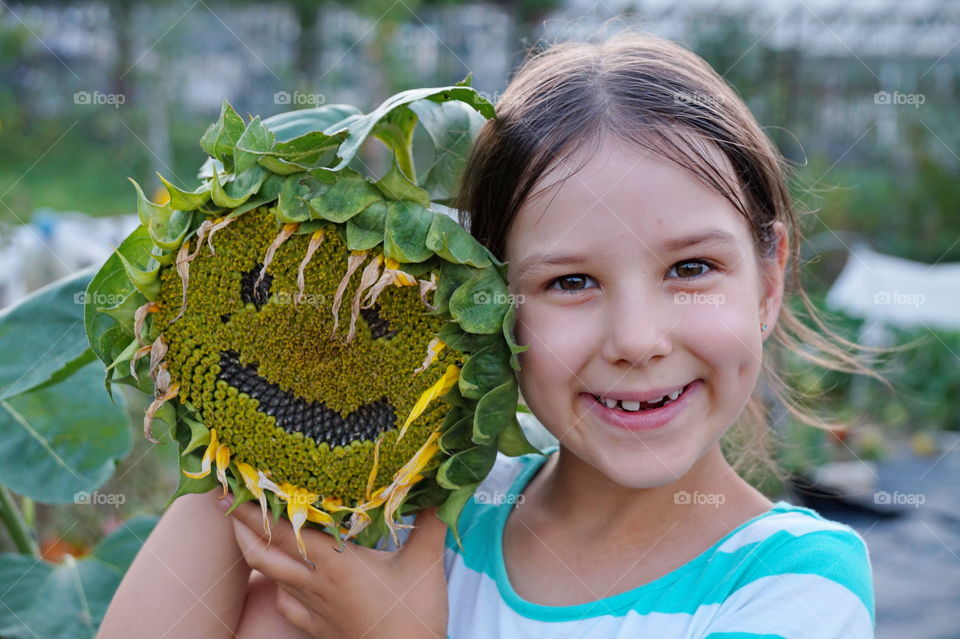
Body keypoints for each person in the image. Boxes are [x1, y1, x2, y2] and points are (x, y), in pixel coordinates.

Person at [99, 30, 879, 639]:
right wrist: (242, 410)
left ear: (770, 279)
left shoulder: (795, 582)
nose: (638, 340)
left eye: (692, 268)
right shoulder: (419, 521)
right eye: (569, 281)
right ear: (484, 309)